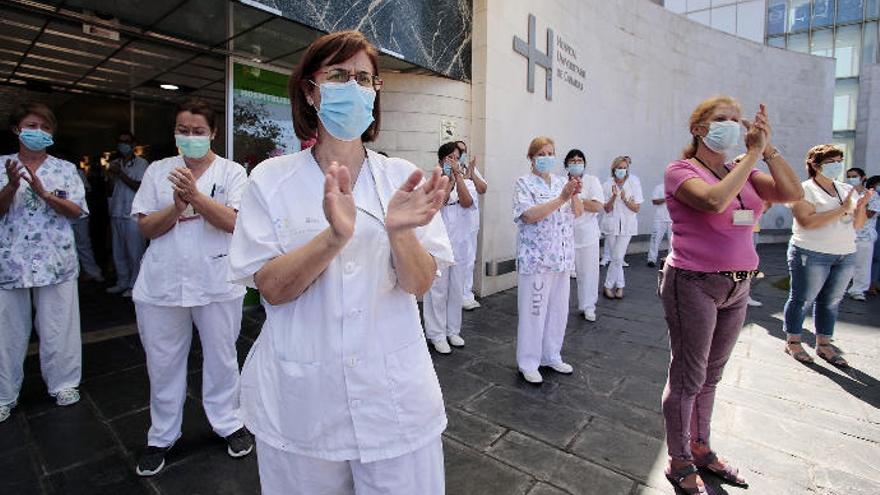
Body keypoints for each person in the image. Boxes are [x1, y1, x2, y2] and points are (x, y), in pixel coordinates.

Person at [227, 31, 452, 494]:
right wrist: (333, 238)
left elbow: (420, 282)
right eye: (338, 75)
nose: (353, 87)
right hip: (303, 400)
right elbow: (270, 287)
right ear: (310, 90)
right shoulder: (271, 179)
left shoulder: (399, 177)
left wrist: (399, 232)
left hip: (393, 399)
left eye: (364, 78)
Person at [660, 97, 802, 494]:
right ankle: (679, 458)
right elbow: (714, 201)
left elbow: (791, 194)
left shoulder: (743, 170)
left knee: (712, 376)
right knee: (688, 376)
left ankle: (701, 447)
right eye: (721, 120)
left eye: (736, 121)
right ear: (699, 128)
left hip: (738, 284)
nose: (732, 127)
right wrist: (752, 154)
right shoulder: (680, 171)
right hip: (692, 282)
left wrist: (767, 149)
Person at [131, 99, 252, 476]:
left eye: (198, 131)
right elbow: (147, 227)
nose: (190, 137)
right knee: (163, 361)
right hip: (162, 283)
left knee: (221, 356)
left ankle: (228, 423)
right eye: (183, 130)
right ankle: (162, 435)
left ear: (213, 133)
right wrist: (177, 206)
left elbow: (234, 222)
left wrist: (196, 198)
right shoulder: (158, 170)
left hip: (216, 280)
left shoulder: (231, 173)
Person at [0, 102, 88, 423]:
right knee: (6, 331)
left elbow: (77, 211)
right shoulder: (2, 166)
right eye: (31, 126)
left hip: (56, 261)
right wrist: (11, 187)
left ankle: (64, 383)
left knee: (59, 327)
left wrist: (46, 194)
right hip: (10, 262)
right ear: (16, 129)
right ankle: (3, 394)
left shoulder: (64, 169)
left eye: (44, 127)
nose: (38, 132)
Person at [783, 145, 873, 367]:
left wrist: (860, 206)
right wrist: (842, 209)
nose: (838, 166)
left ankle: (824, 343)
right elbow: (808, 222)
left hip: (844, 253)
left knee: (831, 301)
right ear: (815, 165)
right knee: (802, 298)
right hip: (811, 252)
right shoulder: (803, 190)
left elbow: (857, 225)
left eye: (840, 160)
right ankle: (793, 340)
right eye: (832, 162)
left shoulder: (844, 189)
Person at [513, 137, 583, 384]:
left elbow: (577, 213)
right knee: (534, 311)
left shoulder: (562, 182)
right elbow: (529, 215)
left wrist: (573, 195)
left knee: (558, 311)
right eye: (541, 153)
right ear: (531, 158)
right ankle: (528, 361)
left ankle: (551, 355)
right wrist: (562, 198)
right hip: (536, 260)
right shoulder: (524, 183)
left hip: (561, 259)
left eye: (551, 153)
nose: (547, 157)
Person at [424, 142, 474, 354]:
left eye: (457, 157)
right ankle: (436, 333)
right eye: (450, 158)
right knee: (437, 289)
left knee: (455, 289)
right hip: (438, 243)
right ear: (442, 160)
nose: (454, 161)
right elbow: (439, 203)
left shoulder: (465, 181)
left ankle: (453, 330)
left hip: (459, 243)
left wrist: (458, 177)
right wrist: (447, 181)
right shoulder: (434, 181)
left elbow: (467, 201)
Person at [105, 132, 148, 297]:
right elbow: (110, 189)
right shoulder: (114, 163)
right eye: (120, 141)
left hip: (133, 214)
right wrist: (110, 176)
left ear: (133, 144)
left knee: (135, 251)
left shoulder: (141, 164)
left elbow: (140, 186)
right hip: (116, 211)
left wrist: (121, 174)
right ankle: (122, 281)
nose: (122, 145)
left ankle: (135, 284)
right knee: (119, 251)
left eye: (126, 142)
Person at [565, 149, 603, 322]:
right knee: (562, 276)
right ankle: (560, 307)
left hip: (587, 235)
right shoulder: (560, 182)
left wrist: (576, 198)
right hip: (564, 236)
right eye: (572, 161)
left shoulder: (592, 181)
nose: (576, 163)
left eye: (579, 160)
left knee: (588, 273)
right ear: (566, 164)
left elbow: (597, 206)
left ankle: (588, 307)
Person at [601, 156, 642, 299]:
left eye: (624, 168)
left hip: (627, 226)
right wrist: (613, 196)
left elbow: (636, 208)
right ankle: (620, 286)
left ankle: (607, 285)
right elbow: (606, 209)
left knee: (617, 256)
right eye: (619, 168)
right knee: (616, 258)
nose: (622, 170)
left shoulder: (634, 183)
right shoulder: (607, 184)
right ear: (614, 169)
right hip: (611, 225)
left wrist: (624, 198)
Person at [455, 140, 488, 310]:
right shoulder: (450, 170)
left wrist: (472, 173)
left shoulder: (471, 169)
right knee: (458, 261)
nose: (463, 153)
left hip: (472, 224)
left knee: (469, 259)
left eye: (465, 150)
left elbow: (483, 188)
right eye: (459, 150)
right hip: (456, 225)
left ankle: (467, 294)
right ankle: (457, 295)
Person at [845, 167, 879, 301]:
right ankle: (838, 288)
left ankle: (858, 289)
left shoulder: (872, 195)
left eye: (854, 176)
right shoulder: (844, 193)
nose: (851, 179)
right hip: (845, 234)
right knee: (843, 264)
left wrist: (857, 207)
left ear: (863, 177)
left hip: (864, 235)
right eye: (849, 176)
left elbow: (870, 213)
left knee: (863, 264)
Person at [73, 159, 105, 282]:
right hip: (61, 215)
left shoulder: (76, 172)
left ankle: (93, 272)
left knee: (83, 245)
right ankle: (75, 273)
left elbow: (85, 190)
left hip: (79, 213)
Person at [647, 181, 671, 267]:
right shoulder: (659, 187)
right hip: (660, 218)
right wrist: (666, 199)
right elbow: (654, 201)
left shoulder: (678, 189)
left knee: (673, 241)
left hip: (673, 218)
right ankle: (651, 259)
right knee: (655, 238)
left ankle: (670, 261)